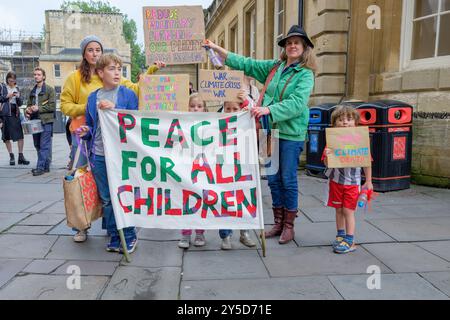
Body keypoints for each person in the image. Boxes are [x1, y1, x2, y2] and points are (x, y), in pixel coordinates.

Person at [204, 25, 317, 245]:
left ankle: (289, 226)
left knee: (288, 178)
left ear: (304, 48)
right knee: (273, 179)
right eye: (289, 42)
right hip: (268, 131)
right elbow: (246, 63)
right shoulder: (275, 68)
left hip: (290, 133)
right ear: (285, 47)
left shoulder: (305, 74)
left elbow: (297, 103)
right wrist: (216, 48)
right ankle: (277, 222)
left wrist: (268, 109)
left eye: (297, 42)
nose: (292, 46)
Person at [61, 35, 165, 243]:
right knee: (93, 189)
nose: (94, 53)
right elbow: (71, 109)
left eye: (97, 49)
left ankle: (122, 233)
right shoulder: (81, 85)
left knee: (121, 193)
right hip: (92, 147)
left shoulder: (123, 90)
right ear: (85, 55)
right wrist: (89, 122)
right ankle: (87, 227)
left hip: (119, 150)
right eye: (90, 50)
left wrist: (151, 71)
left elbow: (135, 100)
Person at [77, 53, 139, 254]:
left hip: (122, 155)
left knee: (123, 195)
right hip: (99, 155)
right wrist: (85, 132)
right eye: (112, 69)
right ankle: (114, 235)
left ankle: (129, 235)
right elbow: (91, 125)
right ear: (100, 72)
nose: (117, 73)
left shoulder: (128, 95)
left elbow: (134, 123)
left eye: (119, 69)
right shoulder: (93, 97)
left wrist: (116, 110)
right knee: (106, 198)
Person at [322, 105, 373, 254]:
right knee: (338, 210)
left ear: (355, 123)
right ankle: (341, 235)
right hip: (336, 182)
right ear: (334, 123)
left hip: (352, 183)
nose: (345, 122)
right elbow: (326, 163)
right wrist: (327, 154)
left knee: (348, 211)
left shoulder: (360, 141)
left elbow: (366, 162)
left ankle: (350, 240)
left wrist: (368, 181)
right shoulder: (331, 142)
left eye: (349, 119)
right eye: (340, 119)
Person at [219, 97, 257, 250]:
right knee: (225, 200)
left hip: (243, 167)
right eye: (228, 109)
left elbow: (255, 110)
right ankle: (226, 235)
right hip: (225, 167)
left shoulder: (246, 121)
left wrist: (247, 101)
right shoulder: (218, 121)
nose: (232, 112)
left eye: (235, 109)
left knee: (244, 197)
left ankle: (245, 232)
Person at [178, 93, 208, 249]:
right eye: (192, 106)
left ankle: (200, 232)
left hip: (203, 170)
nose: (195, 109)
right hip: (185, 169)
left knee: (202, 200)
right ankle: (185, 233)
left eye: (199, 106)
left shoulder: (210, 124)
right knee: (186, 201)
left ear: (204, 108)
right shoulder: (181, 124)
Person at [25, 67, 56, 176]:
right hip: (34, 121)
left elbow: (52, 106)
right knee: (37, 144)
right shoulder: (32, 91)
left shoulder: (50, 90)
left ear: (43, 76)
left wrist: (39, 108)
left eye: (38, 74)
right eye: (35, 74)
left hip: (46, 121)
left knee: (44, 145)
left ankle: (40, 167)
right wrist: (28, 109)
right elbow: (28, 104)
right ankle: (46, 166)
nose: (36, 76)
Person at [0, 71, 30, 166]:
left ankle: (21, 156)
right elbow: (0, 99)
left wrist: (17, 97)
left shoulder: (17, 88)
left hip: (15, 114)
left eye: (13, 80)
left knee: (20, 135)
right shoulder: (2, 87)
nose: (11, 82)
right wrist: (7, 96)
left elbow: (20, 103)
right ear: (7, 79)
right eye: (10, 80)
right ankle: (11, 156)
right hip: (4, 115)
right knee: (6, 136)